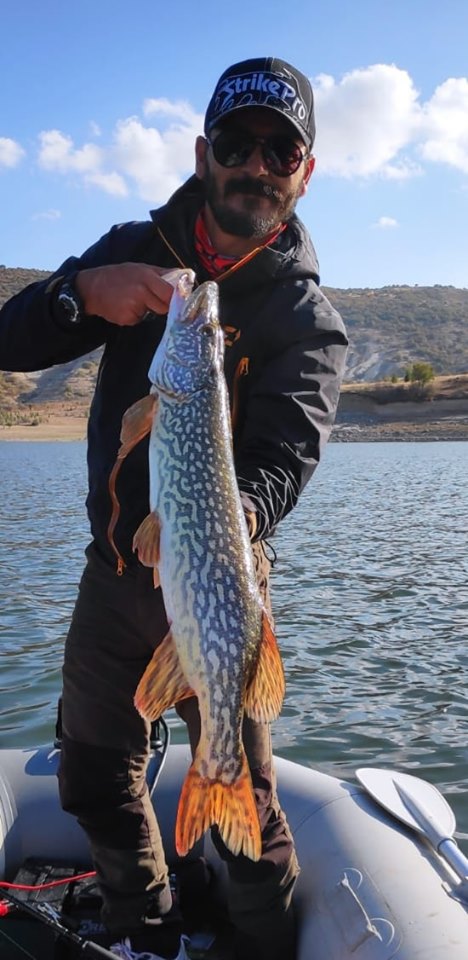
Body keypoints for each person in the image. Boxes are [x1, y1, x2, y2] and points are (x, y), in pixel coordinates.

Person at [0, 57, 348, 960]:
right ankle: (144, 933)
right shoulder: (134, 247)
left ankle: (257, 947)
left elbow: (283, 461)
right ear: (204, 155)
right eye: (237, 144)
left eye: (280, 151)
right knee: (93, 774)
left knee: (248, 805)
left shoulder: (309, 319)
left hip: (223, 575)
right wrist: (80, 294)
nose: (256, 164)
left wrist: (221, 517)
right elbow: (10, 337)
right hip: (115, 570)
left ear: (304, 173)